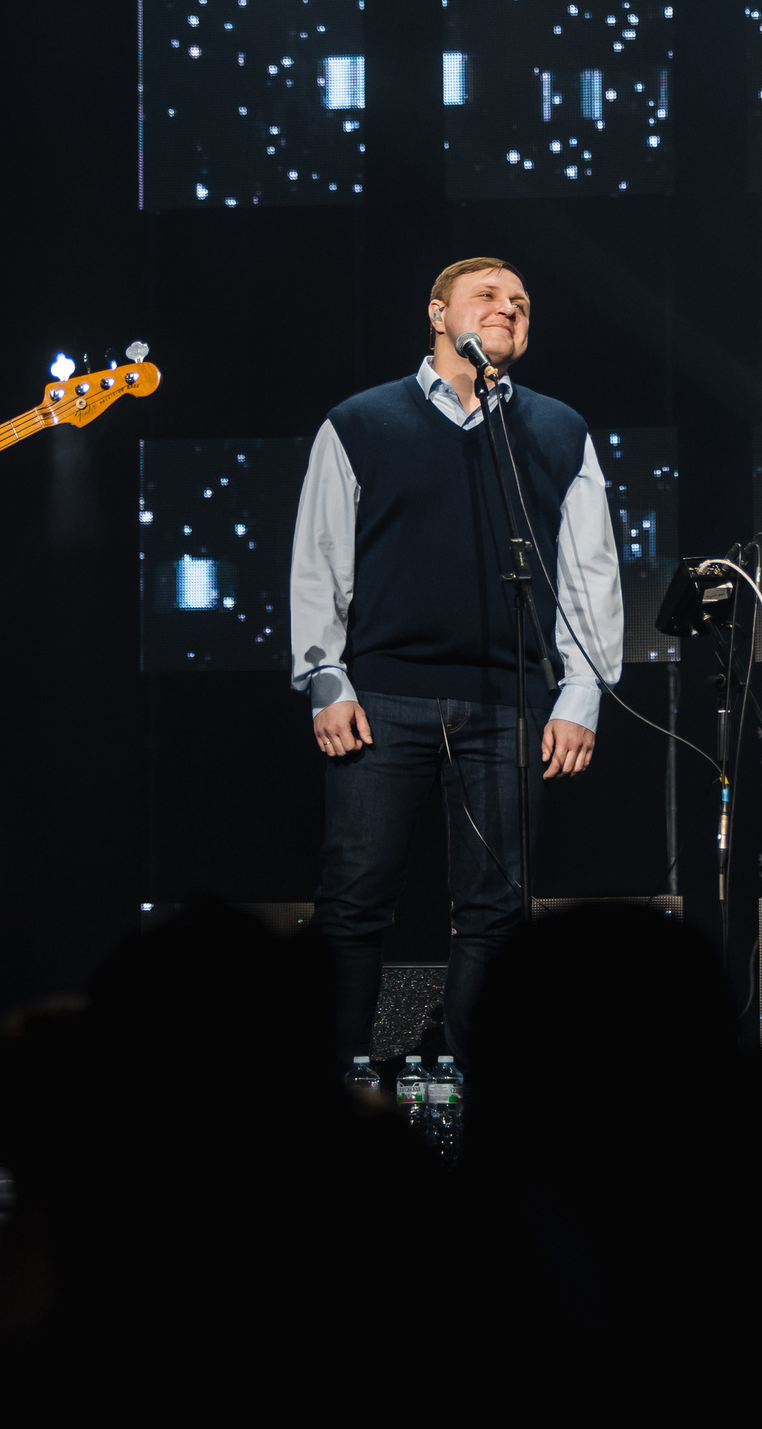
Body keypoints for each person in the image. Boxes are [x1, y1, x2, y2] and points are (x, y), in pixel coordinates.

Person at [287, 257, 624, 1065]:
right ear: (437, 313)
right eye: (488, 296)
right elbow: (318, 560)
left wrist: (582, 692)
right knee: (354, 903)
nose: (508, 308)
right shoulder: (361, 422)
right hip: (383, 697)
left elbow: (589, 571)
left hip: (506, 702)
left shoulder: (555, 429)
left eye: (521, 302)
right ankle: (330, 1085)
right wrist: (324, 678)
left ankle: (484, 1094)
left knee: (497, 914)